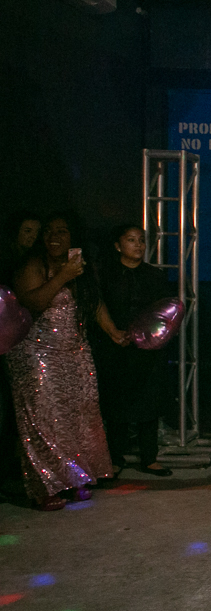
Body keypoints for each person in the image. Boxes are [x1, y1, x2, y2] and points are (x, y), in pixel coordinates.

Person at [9, 214, 123, 509]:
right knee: (44, 420)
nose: (54, 236)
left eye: (61, 231)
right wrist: (62, 276)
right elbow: (31, 302)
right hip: (37, 352)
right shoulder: (34, 266)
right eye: (48, 232)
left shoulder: (80, 267)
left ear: (74, 237)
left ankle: (75, 478)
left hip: (75, 351)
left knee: (79, 417)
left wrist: (113, 332)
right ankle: (45, 486)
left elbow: (94, 303)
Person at [92, 224, 173, 477]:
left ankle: (150, 458)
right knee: (117, 403)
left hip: (147, 349)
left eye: (141, 240)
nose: (138, 245)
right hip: (115, 346)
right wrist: (115, 334)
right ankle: (116, 458)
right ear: (118, 245)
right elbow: (97, 306)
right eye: (131, 240)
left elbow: (163, 313)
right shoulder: (106, 275)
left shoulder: (154, 276)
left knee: (149, 400)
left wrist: (145, 337)